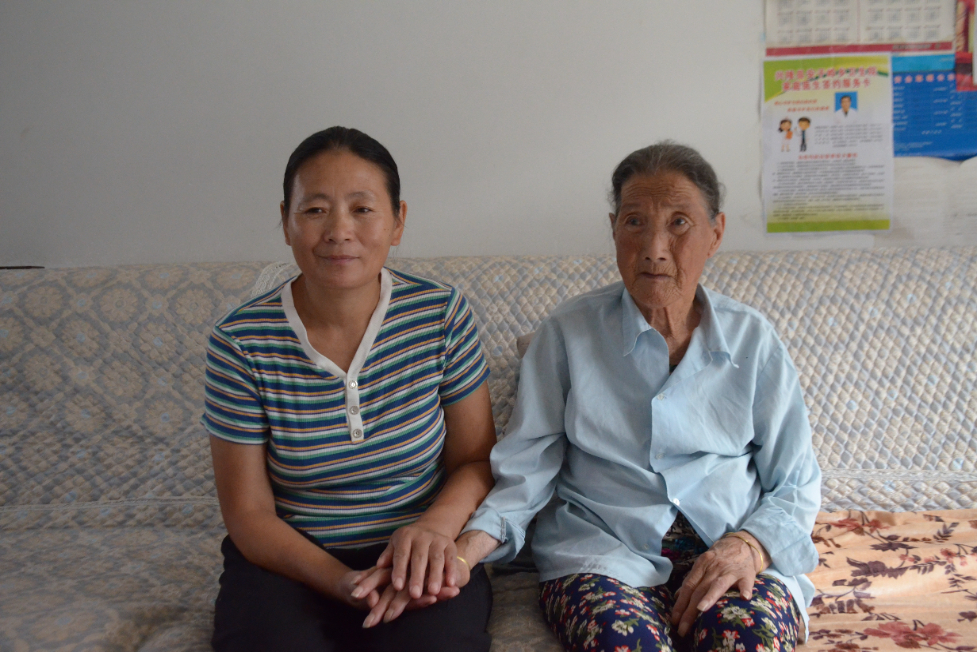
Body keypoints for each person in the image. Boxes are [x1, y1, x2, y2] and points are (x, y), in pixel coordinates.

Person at [455, 142, 821, 651]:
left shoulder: (752, 340)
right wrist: (462, 554)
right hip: (603, 554)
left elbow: (796, 481)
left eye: (679, 223)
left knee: (744, 642)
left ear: (716, 233)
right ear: (613, 229)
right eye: (634, 223)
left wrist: (750, 546)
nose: (654, 247)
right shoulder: (568, 334)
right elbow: (526, 473)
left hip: (730, 547)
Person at [203, 127, 496, 652]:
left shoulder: (441, 314)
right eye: (315, 210)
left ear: (398, 221)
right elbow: (248, 514)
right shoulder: (241, 342)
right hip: (289, 560)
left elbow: (476, 461)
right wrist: (342, 582)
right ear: (286, 221)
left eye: (362, 209)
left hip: (418, 551)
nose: (339, 231)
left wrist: (432, 532)